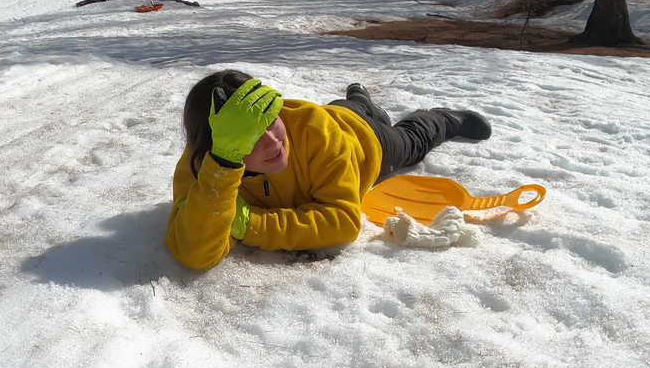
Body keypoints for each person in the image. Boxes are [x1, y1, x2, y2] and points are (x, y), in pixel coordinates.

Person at [165, 70, 491, 270]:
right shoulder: (203, 167)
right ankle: (360, 100)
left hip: (362, 139)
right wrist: (223, 170)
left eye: (271, 120)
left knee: (410, 143)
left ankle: (442, 118)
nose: (274, 141)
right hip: (335, 118)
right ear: (217, 147)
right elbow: (195, 253)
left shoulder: (314, 129)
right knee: (348, 107)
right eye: (250, 138)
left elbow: (343, 222)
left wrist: (249, 223)